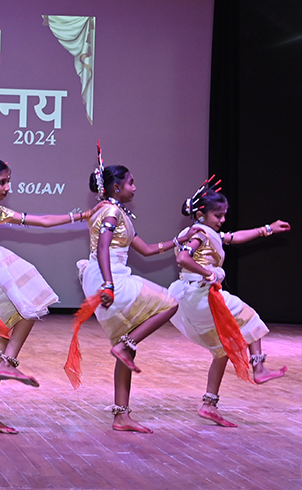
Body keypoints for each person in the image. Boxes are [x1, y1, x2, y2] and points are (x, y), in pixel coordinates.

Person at [0, 145, 99, 434]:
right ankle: (9, 363)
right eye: (3, 182)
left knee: (4, 336)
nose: (8, 187)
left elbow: (42, 222)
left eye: (9, 181)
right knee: (28, 306)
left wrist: (82, 215)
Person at [65, 154, 194, 434]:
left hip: (107, 275)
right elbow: (103, 247)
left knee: (126, 347)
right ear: (116, 187)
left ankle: (121, 415)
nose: (134, 188)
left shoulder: (115, 213)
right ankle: (127, 345)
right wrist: (109, 284)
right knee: (170, 303)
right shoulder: (111, 212)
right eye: (130, 183)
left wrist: (177, 241)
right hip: (110, 276)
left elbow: (146, 250)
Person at [167, 180, 290, 427]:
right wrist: (209, 273)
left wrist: (267, 228)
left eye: (224, 215)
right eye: (218, 215)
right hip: (201, 295)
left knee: (221, 351)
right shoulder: (200, 234)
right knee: (250, 317)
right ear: (201, 215)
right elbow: (183, 258)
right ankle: (259, 368)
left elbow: (234, 237)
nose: (222, 220)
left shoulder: (201, 232)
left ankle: (209, 404)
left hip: (189, 297)